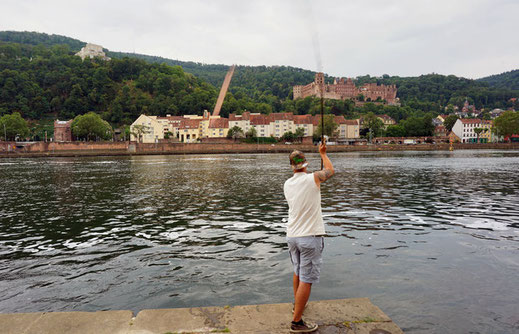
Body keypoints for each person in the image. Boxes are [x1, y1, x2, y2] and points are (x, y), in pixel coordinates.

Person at [284, 142, 334, 333]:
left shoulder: (287, 184)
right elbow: (330, 170)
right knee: (307, 278)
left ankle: (298, 306)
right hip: (309, 237)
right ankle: (297, 322)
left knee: (297, 272)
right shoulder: (313, 178)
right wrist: (323, 154)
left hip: (292, 236)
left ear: (292, 166)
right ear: (305, 164)